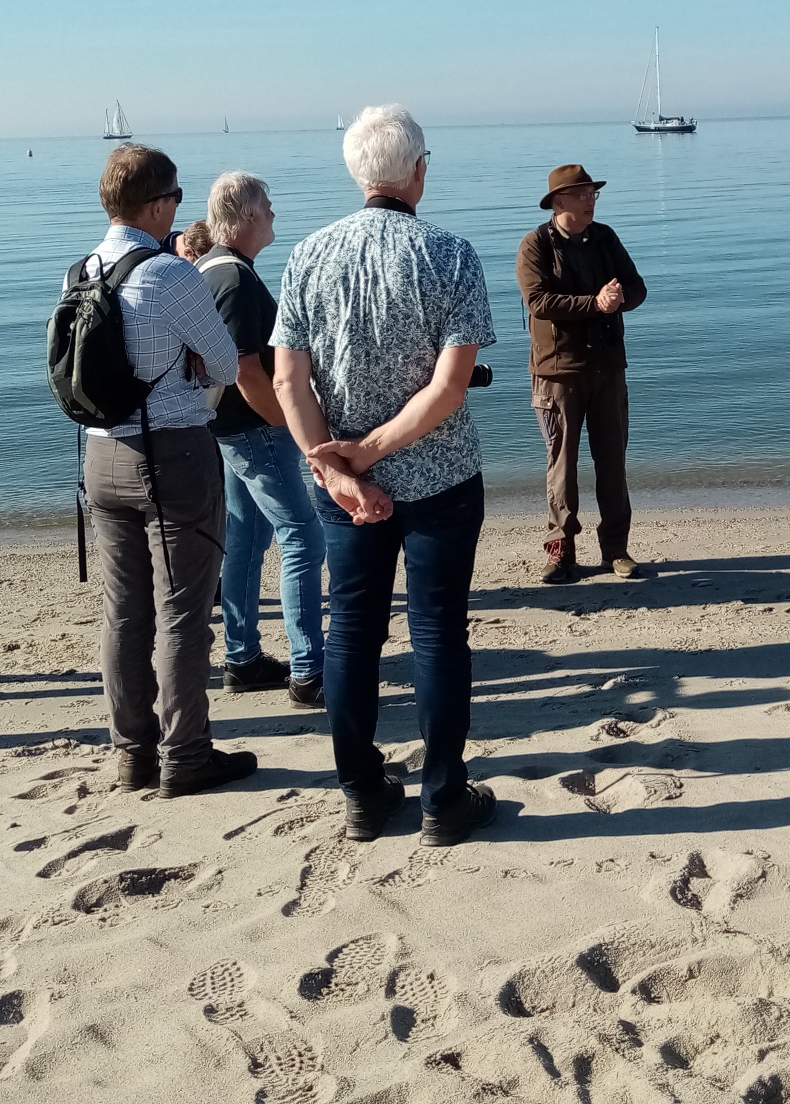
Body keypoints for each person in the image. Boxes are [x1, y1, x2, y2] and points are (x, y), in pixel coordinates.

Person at [274, 105, 499, 847]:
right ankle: (443, 797)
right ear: (418, 172)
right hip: (438, 478)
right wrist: (364, 455)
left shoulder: (307, 255)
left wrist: (335, 465)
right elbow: (450, 387)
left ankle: (363, 793)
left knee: (353, 635)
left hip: (343, 485)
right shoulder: (452, 255)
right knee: (437, 634)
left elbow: (288, 382)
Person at [72, 144, 252, 800]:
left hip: (99, 455)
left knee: (123, 612)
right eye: (175, 198)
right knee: (181, 610)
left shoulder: (81, 271)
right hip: (171, 450)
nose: (179, 209)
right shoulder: (171, 276)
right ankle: (185, 754)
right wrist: (193, 363)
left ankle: (132, 752)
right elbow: (228, 365)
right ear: (154, 205)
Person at [199, 172, 327, 705]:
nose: (273, 213)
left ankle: (243, 656)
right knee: (303, 533)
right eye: (267, 206)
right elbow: (245, 368)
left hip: (227, 425)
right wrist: (285, 421)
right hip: (251, 426)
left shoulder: (210, 270)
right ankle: (309, 669)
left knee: (248, 537)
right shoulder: (232, 278)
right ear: (247, 215)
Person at [515, 164, 649, 584]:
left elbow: (637, 288)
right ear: (559, 202)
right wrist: (596, 303)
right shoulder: (535, 244)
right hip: (557, 372)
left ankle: (616, 549)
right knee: (562, 465)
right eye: (581, 194)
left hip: (607, 368)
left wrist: (618, 297)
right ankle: (561, 552)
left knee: (613, 462)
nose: (591, 200)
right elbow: (539, 301)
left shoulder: (605, 237)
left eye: (593, 193)